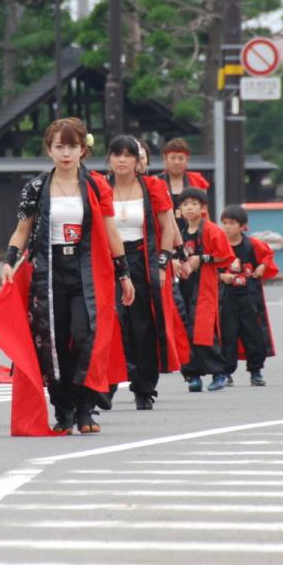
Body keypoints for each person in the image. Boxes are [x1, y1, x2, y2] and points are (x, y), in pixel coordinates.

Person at [0, 117, 135, 435]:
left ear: (83, 149)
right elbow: (22, 230)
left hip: (87, 272)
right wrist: (8, 261)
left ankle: (86, 408)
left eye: (72, 146)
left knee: (86, 336)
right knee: (53, 344)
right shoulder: (37, 187)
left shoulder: (97, 185)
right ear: (50, 150)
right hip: (48, 272)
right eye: (60, 147)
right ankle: (64, 409)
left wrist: (124, 273)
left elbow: (111, 231)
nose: (66, 153)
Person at [105, 135, 185, 410]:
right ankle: (106, 388)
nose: (123, 160)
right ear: (110, 160)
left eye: (129, 155)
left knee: (143, 325)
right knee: (111, 324)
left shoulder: (152, 186)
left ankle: (144, 387)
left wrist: (163, 262)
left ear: (139, 161)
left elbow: (168, 226)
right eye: (117, 155)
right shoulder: (100, 187)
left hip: (142, 258)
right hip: (110, 261)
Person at [174, 187, 234, 392]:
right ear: (179, 209)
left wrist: (203, 258)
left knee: (203, 330)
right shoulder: (179, 232)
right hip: (184, 285)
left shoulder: (211, 230)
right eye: (185, 204)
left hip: (205, 286)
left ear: (203, 207)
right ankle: (192, 375)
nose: (189, 208)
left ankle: (219, 372)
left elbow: (226, 255)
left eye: (194, 204)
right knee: (184, 330)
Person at [219, 204, 279, 387]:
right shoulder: (218, 244)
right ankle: (226, 372)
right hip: (226, 297)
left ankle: (256, 371)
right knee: (227, 335)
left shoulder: (252, 244)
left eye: (232, 223)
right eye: (224, 223)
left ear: (243, 226)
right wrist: (221, 276)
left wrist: (262, 267)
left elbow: (267, 256)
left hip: (250, 297)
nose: (227, 227)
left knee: (253, 334)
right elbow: (210, 266)